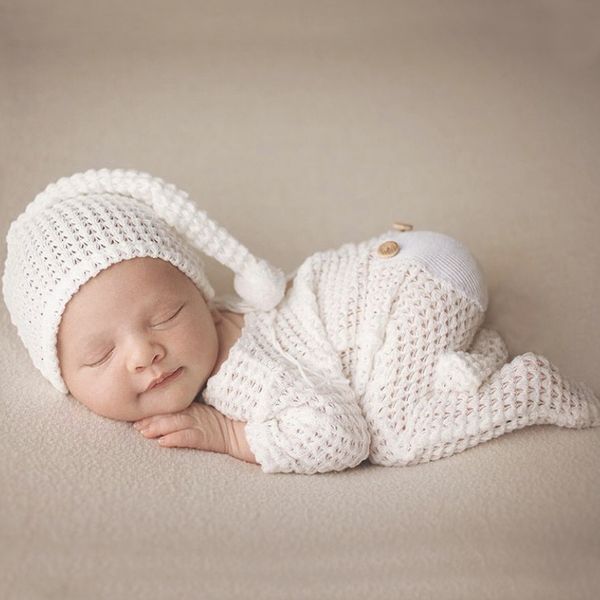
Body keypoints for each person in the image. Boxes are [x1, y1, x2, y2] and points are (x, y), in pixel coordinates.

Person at [3, 168, 599, 475]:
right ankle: (472, 357)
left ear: (202, 294)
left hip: (413, 288)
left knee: (391, 436)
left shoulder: (238, 372)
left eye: (166, 315)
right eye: (100, 355)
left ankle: (523, 389)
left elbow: (341, 436)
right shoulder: (207, 339)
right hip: (409, 270)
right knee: (388, 384)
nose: (143, 354)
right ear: (60, 375)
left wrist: (231, 436)